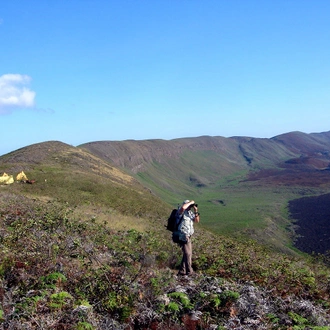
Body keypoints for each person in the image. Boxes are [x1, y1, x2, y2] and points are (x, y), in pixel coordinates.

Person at [176, 199, 200, 276]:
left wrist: (196, 211)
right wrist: (191, 202)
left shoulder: (190, 213)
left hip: (188, 235)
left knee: (186, 253)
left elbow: (197, 221)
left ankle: (182, 271)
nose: (190, 207)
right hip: (182, 235)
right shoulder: (180, 212)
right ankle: (190, 271)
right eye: (189, 205)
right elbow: (183, 208)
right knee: (188, 253)